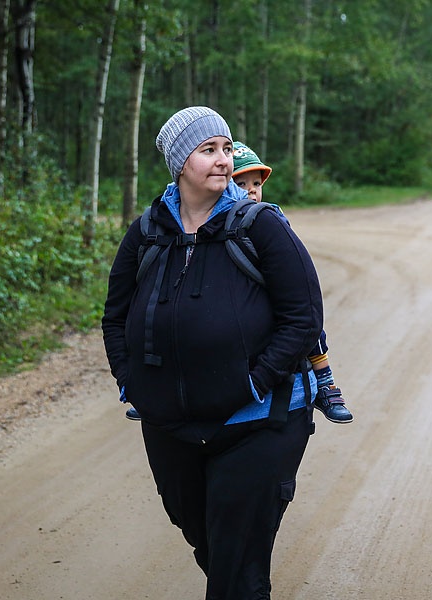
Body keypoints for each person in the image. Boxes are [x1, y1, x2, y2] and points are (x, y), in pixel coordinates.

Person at [102, 106, 323, 599]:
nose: (224, 160)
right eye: (208, 150)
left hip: (259, 422)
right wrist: (130, 379)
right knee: (207, 540)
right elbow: (114, 316)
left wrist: (255, 382)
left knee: (236, 557)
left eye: (226, 148)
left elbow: (303, 316)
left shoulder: (260, 225)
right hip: (171, 427)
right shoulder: (147, 233)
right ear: (181, 163)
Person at [231, 141, 353, 424]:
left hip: (269, 291)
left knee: (307, 327)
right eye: (240, 183)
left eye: (255, 183)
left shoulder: (270, 218)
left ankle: (325, 383)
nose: (251, 190)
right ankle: (167, 391)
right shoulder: (209, 222)